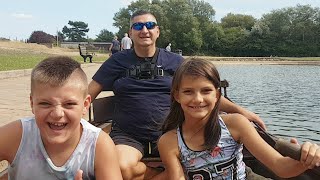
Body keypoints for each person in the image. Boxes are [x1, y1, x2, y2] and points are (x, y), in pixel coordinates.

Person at [88, 10, 266, 180]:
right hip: (128, 135)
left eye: (150, 25)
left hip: (173, 132)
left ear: (157, 31)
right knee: (121, 167)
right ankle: (167, 174)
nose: (144, 30)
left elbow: (204, 94)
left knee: (204, 160)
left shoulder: (175, 62)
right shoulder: (116, 61)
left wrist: (241, 111)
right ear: (130, 33)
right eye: (138, 26)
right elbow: (86, 96)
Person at [158, 58, 320, 180]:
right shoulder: (169, 142)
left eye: (206, 91)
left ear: (217, 96)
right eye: (188, 92)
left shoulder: (235, 124)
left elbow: (280, 167)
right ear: (177, 96)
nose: (198, 99)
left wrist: (306, 159)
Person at [0, 56, 122, 180]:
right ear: (32, 104)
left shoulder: (98, 145)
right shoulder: (18, 135)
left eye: (69, 104)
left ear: (85, 105)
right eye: (45, 104)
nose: (57, 114)